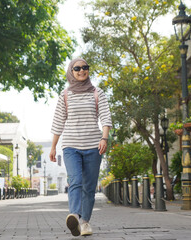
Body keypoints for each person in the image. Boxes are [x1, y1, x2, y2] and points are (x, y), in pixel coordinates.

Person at [49, 58, 112, 237]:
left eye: (85, 68)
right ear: (71, 71)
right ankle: (75, 216)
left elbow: (106, 117)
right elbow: (58, 121)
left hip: (93, 146)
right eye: (77, 68)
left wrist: (104, 138)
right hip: (71, 145)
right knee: (75, 180)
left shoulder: (97, 92)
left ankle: (85, 223)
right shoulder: (66, 94)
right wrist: (53, 147)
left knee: (89, 187)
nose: (82, 71)